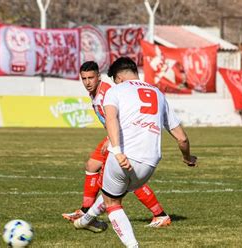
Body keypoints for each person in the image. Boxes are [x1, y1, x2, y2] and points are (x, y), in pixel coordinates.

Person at [73, 57, 197, 247]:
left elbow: (111, 119)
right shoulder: (158, 93)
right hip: (149, 164)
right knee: (114, 193)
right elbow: (182, 138)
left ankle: (132, 244)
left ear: (119, 77)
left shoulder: (115, 90)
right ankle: (85, 220)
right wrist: (188, 158)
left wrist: (116, 149)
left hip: (123, 156)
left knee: (112, 203)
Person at [62, 61, 173, 231]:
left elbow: (119, 115)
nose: (87, 82)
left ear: (98, 77)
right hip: (115, 136)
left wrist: (112, 140)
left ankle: (159, 214)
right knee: (92, 165)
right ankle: (84, 211)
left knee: (127, 174)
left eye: (91, 77)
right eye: (84, 78)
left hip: (121, 138)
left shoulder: (107, 91)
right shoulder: (95, 93)